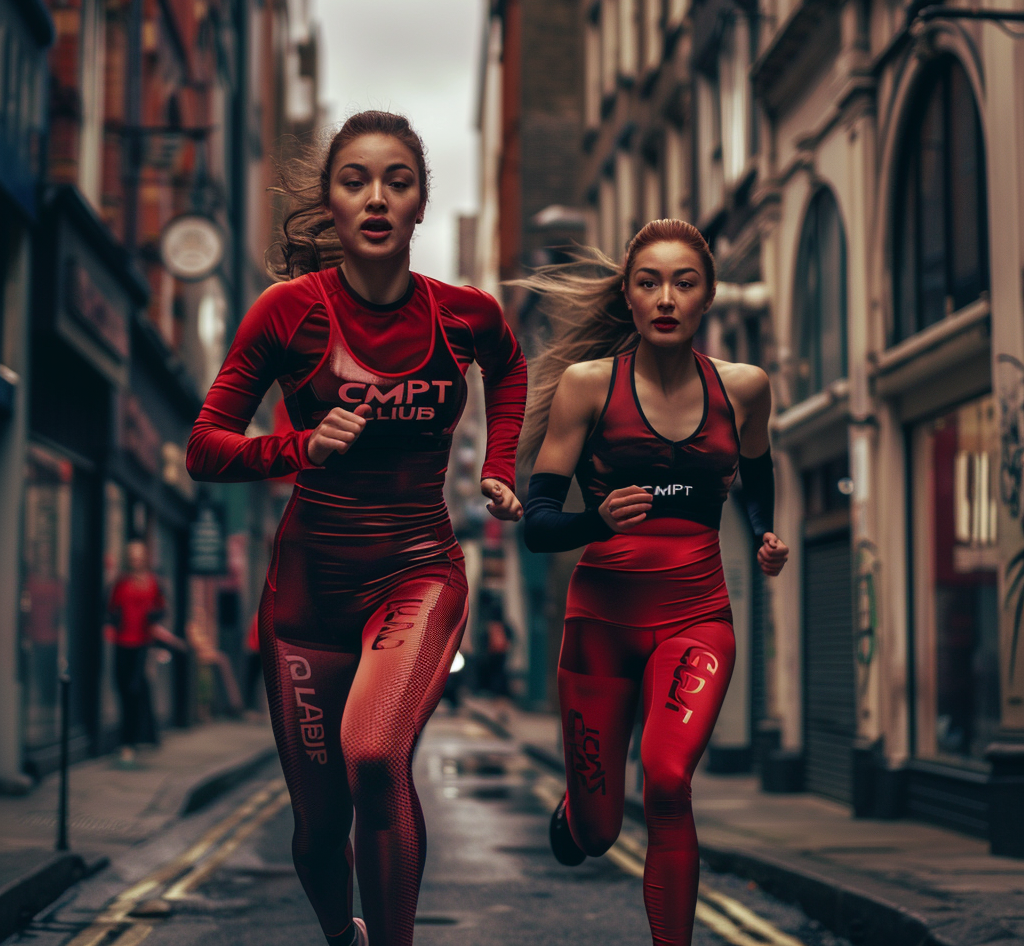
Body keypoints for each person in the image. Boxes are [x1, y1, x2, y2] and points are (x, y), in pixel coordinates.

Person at [186, 110, 526, 946]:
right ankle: (345, 935)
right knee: (316, 827)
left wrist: (502, 468)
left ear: (419, 207)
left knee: (374, 756)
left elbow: (512, 369)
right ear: (333, 204)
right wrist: (297, 445)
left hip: (419, 571)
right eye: (355, 180)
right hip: (307, 597)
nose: (377, 197)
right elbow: (204, 446)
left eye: (397, 181)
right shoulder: (286, 312)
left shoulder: (465, 316)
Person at [519, 219, 788, 946]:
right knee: (602, 832)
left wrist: (764, 531)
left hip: (696, 616)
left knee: (668, 779)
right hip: (600, 625)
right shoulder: (588, 386)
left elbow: (758, 476)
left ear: (708, 299)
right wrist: (595, 521)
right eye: (649, 283)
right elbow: (538, 522)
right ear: (630, 298)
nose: (666, 297)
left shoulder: (744, 388)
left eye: (683, 282)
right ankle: (579, 813)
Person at [107, 540, 169, 766]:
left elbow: (162, 608)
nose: (135, 560)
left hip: (143, 644)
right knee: (123, 690)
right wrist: (114, 620)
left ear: (145, 558)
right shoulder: (120, 583)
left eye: (139, 556)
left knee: (135, 690)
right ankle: (133, 739)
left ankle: (129, 742)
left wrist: (153, 616)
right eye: (132, 556)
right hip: (121, 643)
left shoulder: (153, 583)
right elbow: (110, 608)